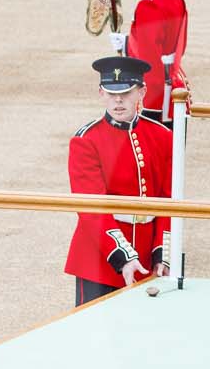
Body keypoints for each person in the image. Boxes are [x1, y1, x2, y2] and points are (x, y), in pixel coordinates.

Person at [66, 56, 175, 305]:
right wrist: (123, 256)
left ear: (142, 92)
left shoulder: (162, 136)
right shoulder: (86, 140)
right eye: (111, 93)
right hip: (100, 259)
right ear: (101, 94)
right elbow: (92, 209)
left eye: (126, 93)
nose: (118, 100)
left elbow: (169, 201)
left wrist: (163, 253)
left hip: (150, 258)